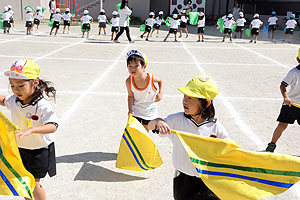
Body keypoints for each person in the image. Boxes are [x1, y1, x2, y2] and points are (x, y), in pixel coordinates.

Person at [148, 75, 228, 200]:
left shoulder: (215, 127)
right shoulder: (177, 120)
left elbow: (228, 150)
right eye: (184, 96)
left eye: (190, 98)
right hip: (183, 181)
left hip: (208, 181)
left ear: (206, 102)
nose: (185, 101)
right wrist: (158, 121)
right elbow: (150, 126)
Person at [0, 59, 58, 200]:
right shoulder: (14, 100)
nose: (16, 90)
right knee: (25, 181)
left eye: (20, 85)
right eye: (12, 85)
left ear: (35, 83)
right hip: (21, 148)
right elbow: (3, 100)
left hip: (39, 149)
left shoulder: (42, 105)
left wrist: (31, 130)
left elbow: (53, 126)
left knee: (33, 183)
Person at [265, 49, 300, 152]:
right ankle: (272, 144)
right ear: (298, 60)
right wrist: (286, 97)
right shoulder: (294, 72)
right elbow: (283, 85)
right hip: (291, 104)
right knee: (282, 124)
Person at [125, 50, 164, 131]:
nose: (133, 69)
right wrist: (130, 110)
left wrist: (160, 92)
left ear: (144, 67)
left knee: (146, 132)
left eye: (136, 66)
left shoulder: (150, 78)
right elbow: (130, 96)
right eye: (130, 66)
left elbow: (160, 80)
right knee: (138, 132)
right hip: (137, 111)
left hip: (150, 111)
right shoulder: (129, 81)